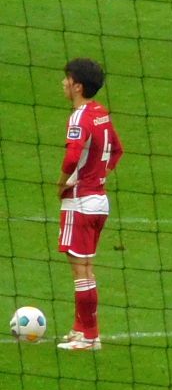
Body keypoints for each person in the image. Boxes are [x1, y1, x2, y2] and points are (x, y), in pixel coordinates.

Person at [54, 57, 124, 352]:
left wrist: (63, 182)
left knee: (80, 271)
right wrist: (96, 177)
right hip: (99, 201)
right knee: (86, 268)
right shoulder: (101, 114)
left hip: (80, 203)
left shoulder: (79, 117)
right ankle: (80, 328)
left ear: (78, 85)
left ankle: (90, 336)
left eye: (67, 79)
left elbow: (72, 157)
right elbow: (117, 150)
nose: (63, 83)